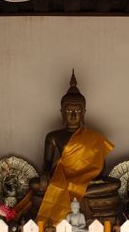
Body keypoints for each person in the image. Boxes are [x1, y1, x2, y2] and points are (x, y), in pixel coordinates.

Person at [31, 70, 120, 224]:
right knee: (34, 184)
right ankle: (73, 193)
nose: (73, 115)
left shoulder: (95, 137)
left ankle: (73, 193)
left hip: (88, 183)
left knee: (115, 184)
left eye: (77, 111)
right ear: (62, 113)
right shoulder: (53, 136)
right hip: (62, 181)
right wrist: (45, 174)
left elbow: (101, 168)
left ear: (84, 113)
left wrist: (90, 177)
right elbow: (47, 164)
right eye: (69, 111)